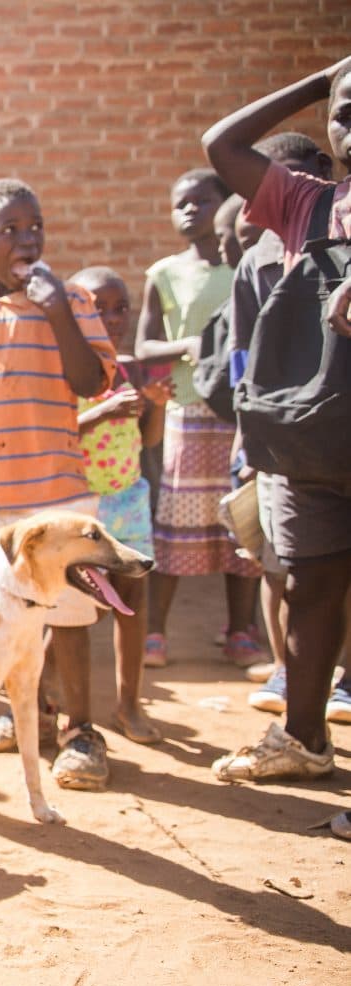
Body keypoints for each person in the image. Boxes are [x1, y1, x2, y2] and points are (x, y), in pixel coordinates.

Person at [0, 178, 114, 790]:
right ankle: (28, 715)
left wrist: (57, 307)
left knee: (66, 613)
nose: (26, 239)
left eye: (34, 226)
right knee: (2, 614)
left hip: (57, 490)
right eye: (9, 230)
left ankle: (82, 731)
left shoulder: (75, 302)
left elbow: (91, 380)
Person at [202, 56, 351, 783]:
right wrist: (321, 78)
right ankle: (303, 739)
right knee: (308, 586)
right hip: (310, 437)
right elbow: (221, 146)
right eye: (344, 111)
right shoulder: (303, 202)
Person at [220, 133, 347, 712]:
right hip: (295, 437)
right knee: (287, 568)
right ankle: (287, 680)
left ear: (318, 172)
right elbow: (246, 357)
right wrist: (249, 445)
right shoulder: (261, 259)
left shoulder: (317, 213)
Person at [136, 168, 264, 670]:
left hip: (238, 411)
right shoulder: (165, 274)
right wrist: (189, 346)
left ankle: (240, 631)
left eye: (202, 201)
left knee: (240, 522)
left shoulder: (247, 266)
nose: (189, 211)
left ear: (226, 205)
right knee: (175, 521)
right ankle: (154, 633)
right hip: (188, 410)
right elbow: (145, 346)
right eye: (179, 203)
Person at [70, 267, 172, 744]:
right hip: (80, 507)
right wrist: (101, 412)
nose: (111, 318)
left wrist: (157, 407)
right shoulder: (64, 372)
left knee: (132, 600)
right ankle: (58, 702)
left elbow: (147, 441)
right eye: (97, 307)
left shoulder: (130, 369)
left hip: (128, 499)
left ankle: (128, 703)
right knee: (73, 607)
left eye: (119, 308)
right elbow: (58, 436)